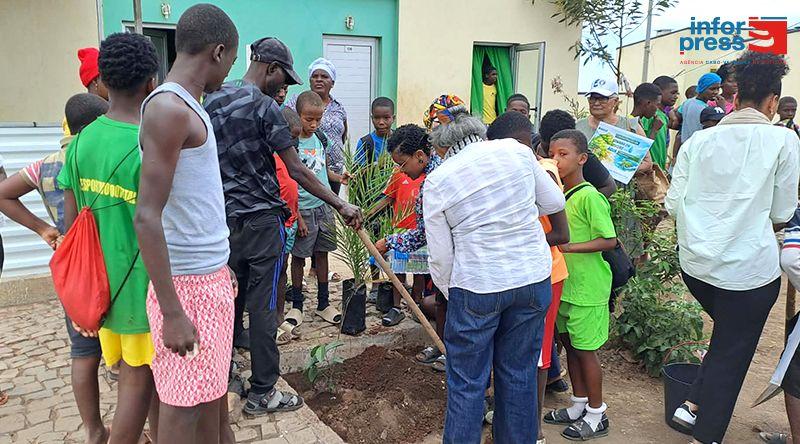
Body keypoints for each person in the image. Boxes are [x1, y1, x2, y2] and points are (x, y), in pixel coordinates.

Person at [203, 36, 361, 417]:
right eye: (284, 79)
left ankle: (224, 374)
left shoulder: (214, 99)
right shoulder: (264, 108)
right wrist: (340, 202)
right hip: (261, 223)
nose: (286, 87)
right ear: (270, 68)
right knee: (264, 306)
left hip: (226, 222)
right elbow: (296, 168)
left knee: (234, 301)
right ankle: (264, 391)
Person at [666, 51, 798, 444]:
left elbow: (673, 204)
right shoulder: (783, 139)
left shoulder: (698, 141)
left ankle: (690, 405)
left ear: (734, 97)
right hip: (748, 276)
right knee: (731, 355)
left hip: (697, 269)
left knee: (727, 338)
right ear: (773, 102)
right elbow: (783, 210)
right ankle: (703, 435)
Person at [424, 109, 565, 444]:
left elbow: (441, 258)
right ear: (481, 133)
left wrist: (451, 292)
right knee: (518, 376)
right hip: (531, 280)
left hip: (477, 287)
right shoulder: (516, 152)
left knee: (467, 385)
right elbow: (555, 201)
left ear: (444, 148)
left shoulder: (439, 180)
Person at [135, 5, 239, 442]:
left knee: (213, 402)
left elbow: (193, 203)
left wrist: (220, 263)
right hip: (187, 289)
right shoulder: (170, 110)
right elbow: (146, 215)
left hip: (207, 277)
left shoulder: (188, 106)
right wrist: (173, 311)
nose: (230, 69)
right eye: (232, 59)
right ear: (217, 51)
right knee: (182, 408)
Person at [59, 32, 159, 444]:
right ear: (151, 82)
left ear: (104, 79)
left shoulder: (79, 142)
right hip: (143, 294)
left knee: (143, 382)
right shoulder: (147, 143)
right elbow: (160, 227)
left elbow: (70, 229)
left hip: (101, 293)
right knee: (136, 386)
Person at [0, 93, 108, 443]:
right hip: (112, 267)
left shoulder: (46, 165)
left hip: (73, 269)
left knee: (83, 353)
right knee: (133, 360)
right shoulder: (106, 156)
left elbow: (3, 193)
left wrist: (44, 229)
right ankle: (135, 429)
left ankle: (94, 432)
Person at [485, 111, 571, 444]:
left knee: (535, 357)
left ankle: (531, 430)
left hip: (546, 274)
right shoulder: (516, 170)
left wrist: (515, 241)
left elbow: (561, 233)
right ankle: (513, 418)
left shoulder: (544, 172)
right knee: (520, 351)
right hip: (524, 273)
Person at [377, 95, 469, 373]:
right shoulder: (435, 171)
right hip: (449, 255)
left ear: (420, 156)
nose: (401, 171)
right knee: (441, 300)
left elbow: (420, 236)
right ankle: (440, 344)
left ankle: (452, 351)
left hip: (461, 255)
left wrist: (388, 242)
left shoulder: (434, 182)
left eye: (402, 164)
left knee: (450, 303)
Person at [544, 129, 617, 441]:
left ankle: (598, 413)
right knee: (571, 349)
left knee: (586, 352)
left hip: (588, 289)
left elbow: (610, 240)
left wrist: (569, 247)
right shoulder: (557, 195)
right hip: (567, 285)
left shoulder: (589, 196)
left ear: (582, 159)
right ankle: (578, 404)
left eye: (564, 154)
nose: (556, 160)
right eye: (552, 153)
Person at [289, 90, 347, 327]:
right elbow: (290, 179)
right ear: (298, 115)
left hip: (323, 207)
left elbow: (320, 170)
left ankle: (323, 303)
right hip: (302, 209)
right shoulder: (291, 143)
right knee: (299, 257)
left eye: (318, 120)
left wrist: (339, 177)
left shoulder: (320, 138)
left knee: (323, 254)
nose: (313, 124)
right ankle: (297, 307)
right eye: (308, 119)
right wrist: (297, 217)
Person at [285, 57, 348, 195]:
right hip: (305, 168)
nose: (319, 79)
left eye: (324, 76)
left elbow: (343, 134)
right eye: (315, 76)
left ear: (332, 82)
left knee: (330, 202)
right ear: (310, 81)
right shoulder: (296, 102)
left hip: (332, 170)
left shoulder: (338, 107)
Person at [539, 110, 616, 198]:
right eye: (551, 154)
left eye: (562, 153)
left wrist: (581, 202)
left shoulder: (582, 157)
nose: (555, 160)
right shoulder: (531, 152)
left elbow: (610, 186)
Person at [275, 108, 301, 345]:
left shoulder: (289, 156)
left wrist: (298, 218)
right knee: (272, 274)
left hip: (291, 223)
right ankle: (270, 322)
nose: (292, 142)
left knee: (283, 269)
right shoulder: (270, 157)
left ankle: (279, 316)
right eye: (290, 137)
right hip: (276, 225)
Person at [62, 48, 110, 136]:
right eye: (108, 77)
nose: (113, 82)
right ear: (95, 81)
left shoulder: (114, 109)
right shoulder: (77, 115)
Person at [632, 83, 669, 170]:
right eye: (657, 104)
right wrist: (654, 130)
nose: (657, 109)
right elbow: (641, 152)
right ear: (648, 103)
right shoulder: (631, 124)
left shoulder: (638, 121)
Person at [679, 72, 721, 146]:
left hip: (685, 145)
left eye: (718, 89)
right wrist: (721, 108)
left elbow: (678, 116)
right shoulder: (705, 109)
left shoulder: (688, 102)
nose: (716, 92)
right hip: (698, 146)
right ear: (703, 88)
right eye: (712, 89)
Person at [355, 97, 395, 164]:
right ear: (372, 118)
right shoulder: (365, 143)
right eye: (377, 118)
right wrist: (377, 165)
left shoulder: (401, 140)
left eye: (386, 118)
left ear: (393, 118)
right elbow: (356, 171)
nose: (381, 122)